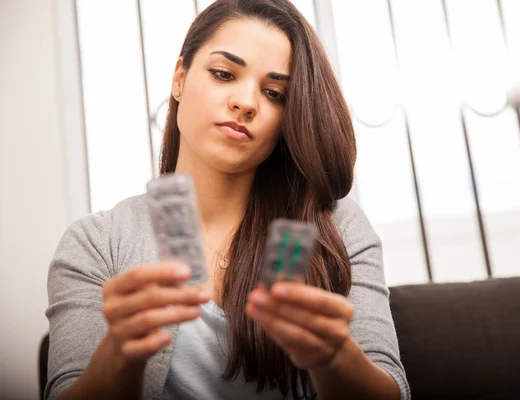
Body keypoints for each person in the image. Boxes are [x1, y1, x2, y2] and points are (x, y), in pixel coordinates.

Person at [44, 1, 410, 399]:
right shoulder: (95, 243)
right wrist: (121, 352)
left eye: (274, 93)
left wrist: (333, 357)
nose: (246, 102)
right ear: (179, 78)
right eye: (223, 74)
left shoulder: (336, 228)